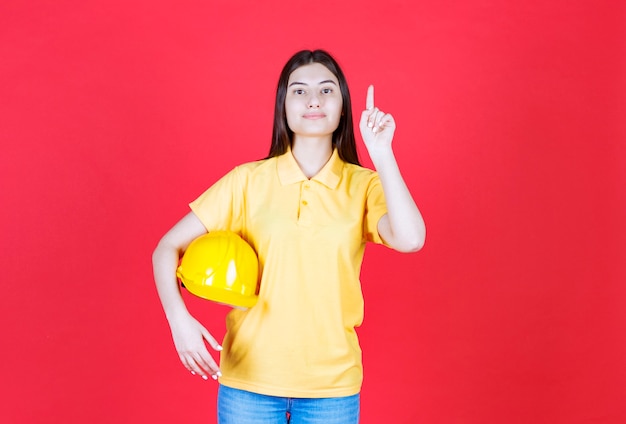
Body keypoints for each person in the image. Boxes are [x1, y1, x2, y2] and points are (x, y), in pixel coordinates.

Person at [152, 49, 426, 424]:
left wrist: (382, 154)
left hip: (332, 387)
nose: (313, 100)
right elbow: (167, 247)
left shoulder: (364, 186)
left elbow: (410, 239)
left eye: (326, 90)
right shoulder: (247, 181)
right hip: (249, 382)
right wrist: (178, 320)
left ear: (343, 106)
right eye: (299, 91)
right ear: (283, 107)